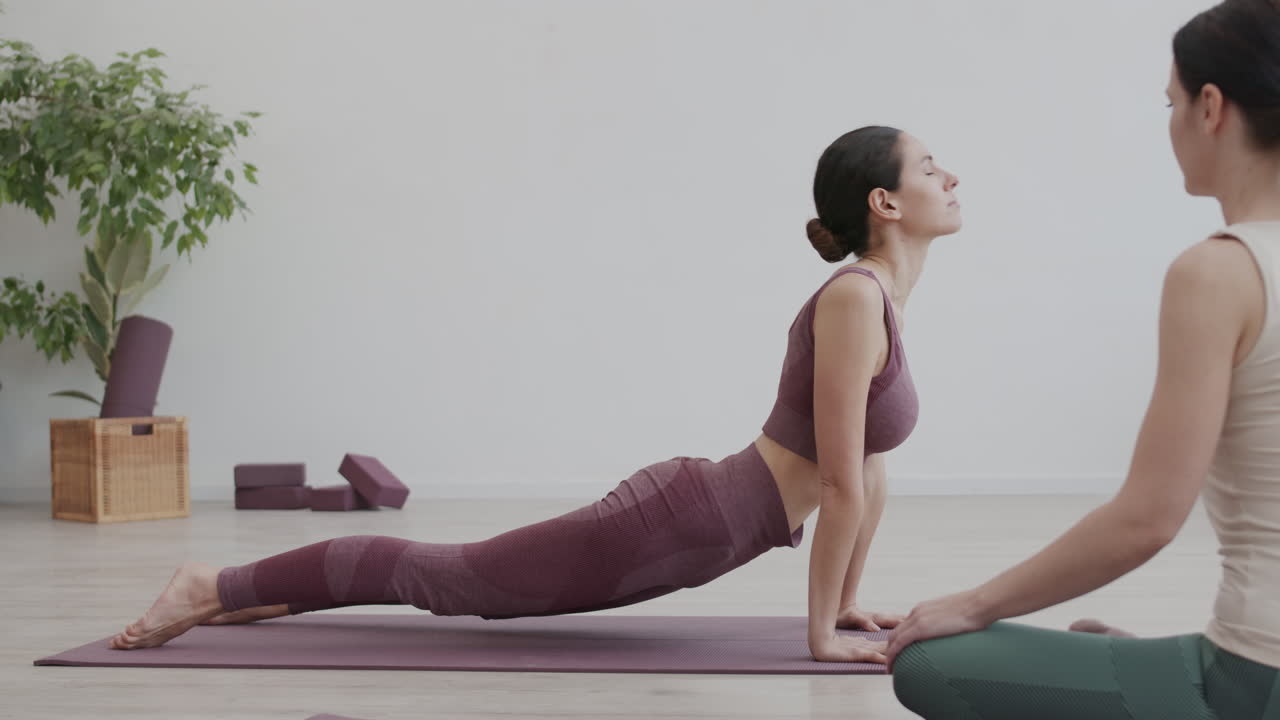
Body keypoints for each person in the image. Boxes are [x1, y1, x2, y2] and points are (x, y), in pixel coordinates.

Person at [111, 126, 963, 664]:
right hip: (681, 520)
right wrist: (818, 636)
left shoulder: (882, 298)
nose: (950, 174)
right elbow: (842, 482)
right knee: (449, 579)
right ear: (885, 201)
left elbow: (870, 469)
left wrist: (846, 602)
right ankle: (208, 584)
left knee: (455, 579)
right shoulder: (855, 297)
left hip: (705, 531)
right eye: (931, 165)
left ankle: (256, 591)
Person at [887, 0, 1280, 715]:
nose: (1170, 122)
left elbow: (1147, 521)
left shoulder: (1221, 272)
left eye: (1173, 102)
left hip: (1254, 682)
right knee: (1113, 652)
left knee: (928, 661)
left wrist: (973, 604)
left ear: (1212, 107)